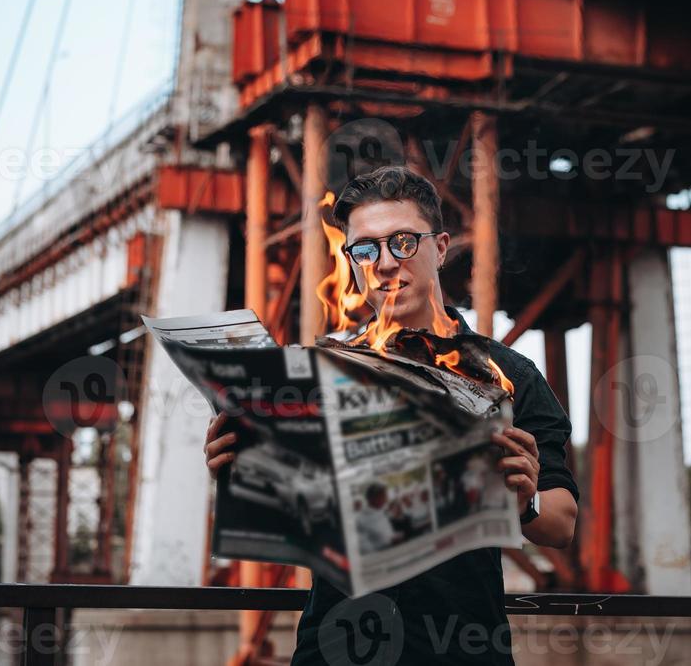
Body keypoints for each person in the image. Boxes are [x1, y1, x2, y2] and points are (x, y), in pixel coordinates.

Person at [205, 165, 579, 664]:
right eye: (365, 248)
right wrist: (247, 464)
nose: (384, 263)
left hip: (460, 651)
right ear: (352, 261)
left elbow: (562, 524)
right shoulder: (320, 372)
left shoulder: (508, 374)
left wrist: (525, 500)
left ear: (440, 247)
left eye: (403, 242)